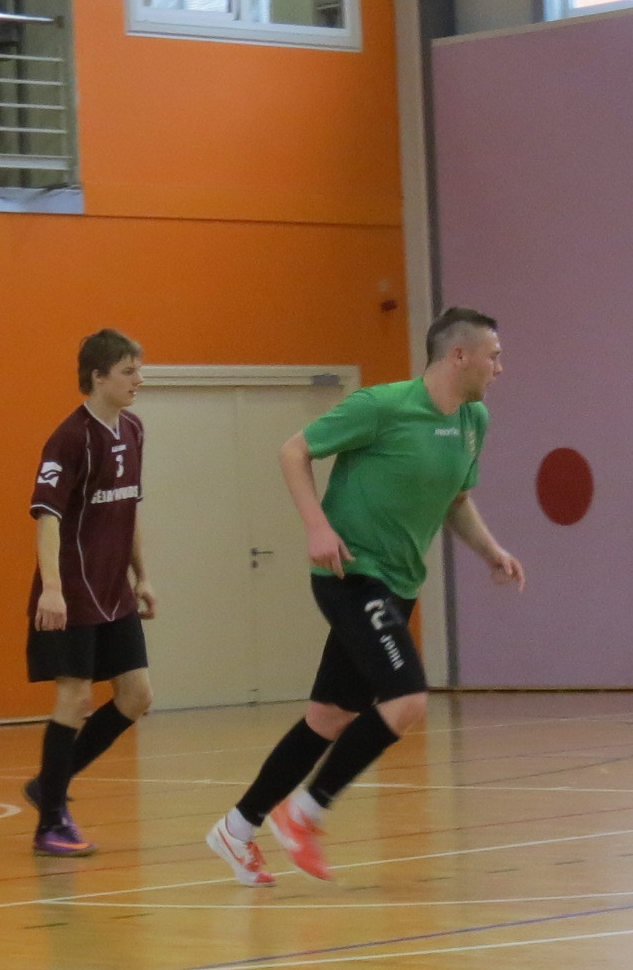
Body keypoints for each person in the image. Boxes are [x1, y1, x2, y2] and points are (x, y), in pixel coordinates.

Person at [205, 308, 527, 887]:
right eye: (494, 355)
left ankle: (236, 826)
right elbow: (293, 451)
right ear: (459, 356)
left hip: (399, 584)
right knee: (407, 698)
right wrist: (316, 526)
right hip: (351, 574)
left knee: (328, 717)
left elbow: (456, 501)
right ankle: (305, 814)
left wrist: (491, 551)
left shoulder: (473, 420)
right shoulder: (382, 407)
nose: (500, 367)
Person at [22, 329, 157, 856]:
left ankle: (49, 785)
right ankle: (50, 824)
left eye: (139, 369)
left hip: (114, 589)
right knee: (75, 698)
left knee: (137, 696)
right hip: (74, 589)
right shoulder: (69, 438)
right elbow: (47, 518)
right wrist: (52, 590)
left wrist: (143, 576)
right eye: (127, 371)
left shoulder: (135, 430)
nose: (138, 380)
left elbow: (130, 507)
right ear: (97, 377)